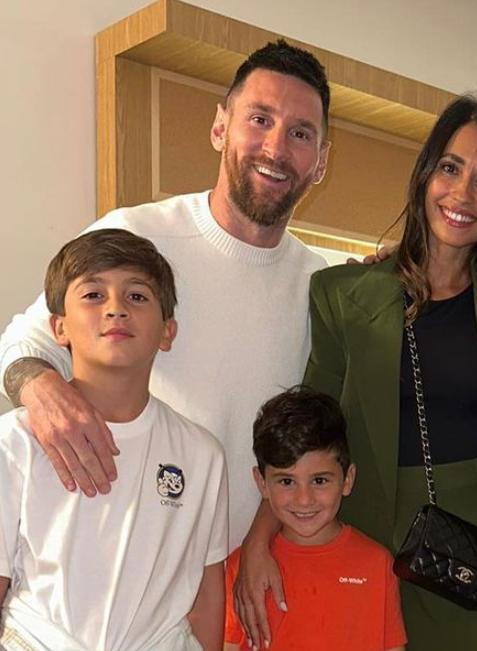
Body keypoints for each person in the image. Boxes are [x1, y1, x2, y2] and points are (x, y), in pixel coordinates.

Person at [237, 95, 477, 650]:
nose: (462, 194)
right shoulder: (345, 296)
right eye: (450, 168)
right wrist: (260, 538)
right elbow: (308, 436)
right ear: (425, 175)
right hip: (389, 552)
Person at [0, 40, 330, 551]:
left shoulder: (320, 284)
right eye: (259, 119)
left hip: (240, 582)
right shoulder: (138, 235)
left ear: (321, 161)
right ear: (220, 126)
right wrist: (45, 393)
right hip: (122, 562)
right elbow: (24, 341)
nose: (276, 148)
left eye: (300, 133)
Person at [0, 229, 227, 651]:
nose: (116, 309)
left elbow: (205, 593)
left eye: (137, 297)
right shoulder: (14, 440)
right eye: (93, 295)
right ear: (58, 327)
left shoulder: (201, 455)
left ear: (167, 331)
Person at [223, 386, 407, 651]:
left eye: (319, 480)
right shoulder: (242, 568)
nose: (304, 499)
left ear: (348, 479)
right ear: (261, 484)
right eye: (286, 481)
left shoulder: (377, 564)